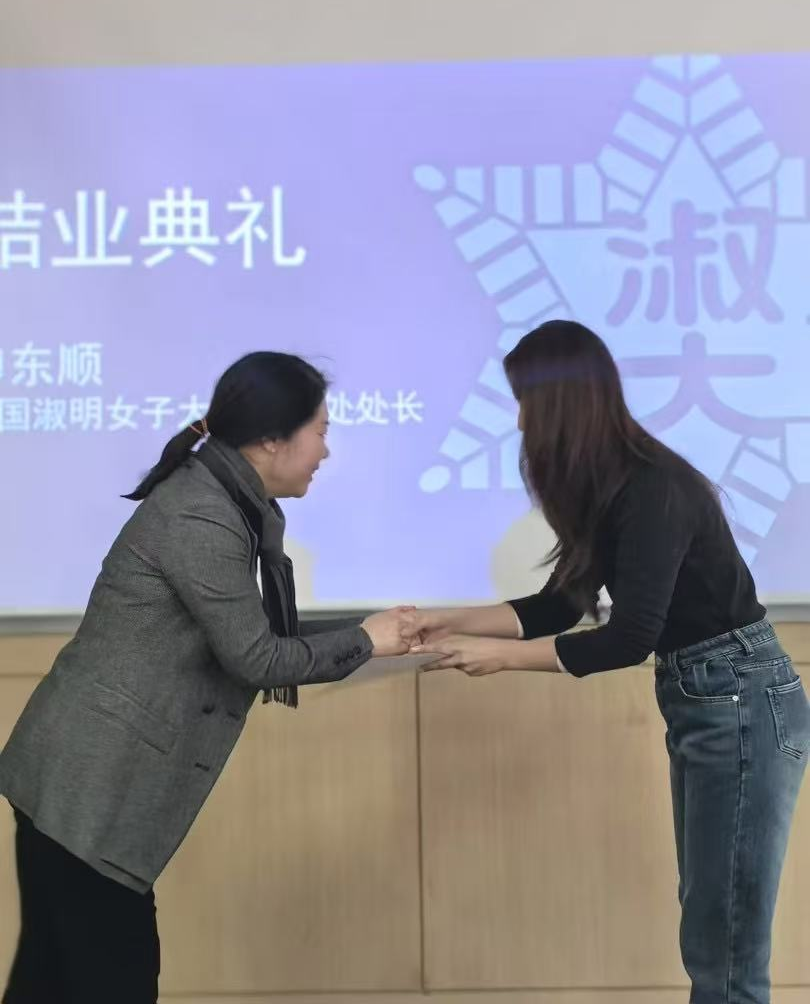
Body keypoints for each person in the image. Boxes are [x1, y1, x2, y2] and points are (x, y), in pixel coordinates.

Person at [407, 320, 810, 1004]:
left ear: (560, 404)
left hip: (740, 697)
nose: (521, 423)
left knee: (725, 945)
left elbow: (628, 638)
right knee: (713, 927)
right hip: (711, 697)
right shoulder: (613, 487)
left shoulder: (653, 489)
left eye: (525, 404)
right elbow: (559, 607)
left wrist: (500, 659)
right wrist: (448, 623)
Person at [0, 351, 415, 1004]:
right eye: (321, 432)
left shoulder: (224, 501)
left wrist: (372, 632)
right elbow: (258, 658)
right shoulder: (204, 514)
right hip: (88, 789)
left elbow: (257, 632)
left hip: (76, 784)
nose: (325, 451)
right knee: (107, 981)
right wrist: (369, 640)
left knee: (51, 983)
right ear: (272, 439)